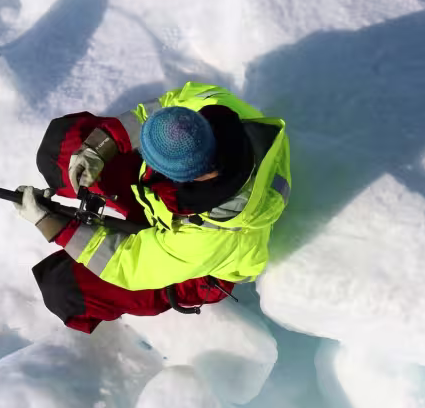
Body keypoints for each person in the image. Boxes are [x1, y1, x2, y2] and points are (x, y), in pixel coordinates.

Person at [14, 82, 291, 333]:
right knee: (63, 146)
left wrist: (54, 226)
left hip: (196, 267)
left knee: (63, 288)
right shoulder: (215, 109)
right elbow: (164, 107)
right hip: (168, 204)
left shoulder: (218, 236)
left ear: (176, 176)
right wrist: (102, 146)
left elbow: (130, 264)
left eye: (144, 154)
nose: (137, 154)